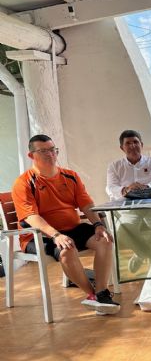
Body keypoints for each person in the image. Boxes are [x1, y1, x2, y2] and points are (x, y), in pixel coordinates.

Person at [11, 135, 120, 315]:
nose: (50, 154)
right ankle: (93, 295)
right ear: (31, 155)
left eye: (52, 149)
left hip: (72, 229)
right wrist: (56, 235)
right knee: (66, 249)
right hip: (40, 236)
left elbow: (86, 205)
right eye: (43, 150)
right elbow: (31, 217)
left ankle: (101, 292)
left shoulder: (71, 176)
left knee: (105, 240)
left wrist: (98, 224)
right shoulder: (24, 183)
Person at [106, 130, 151, 274]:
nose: (133, 146)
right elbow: (110, 188)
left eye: (135, 142)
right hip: (129, 206)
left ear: (141, 145)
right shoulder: (114, 166)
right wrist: (126, 189)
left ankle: (143, 252)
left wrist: (146, 186)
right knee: (122, 231)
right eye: (128, 143)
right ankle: (147, 253)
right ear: (122, 147)